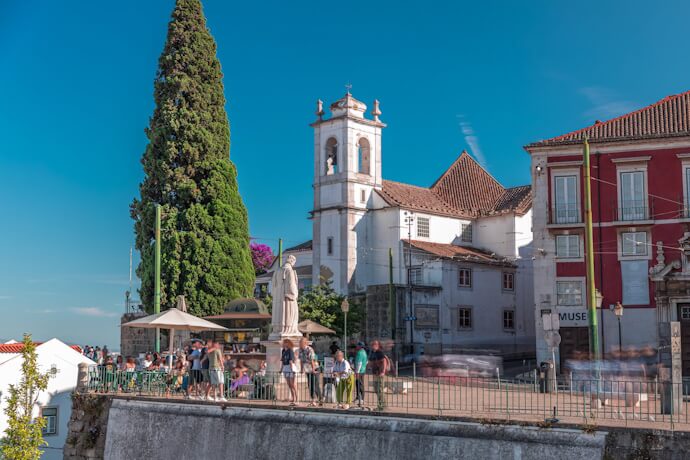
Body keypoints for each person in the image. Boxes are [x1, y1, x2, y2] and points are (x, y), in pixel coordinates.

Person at [299, 337, 321, 406]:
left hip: (315, 368)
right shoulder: (300, 350)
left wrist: (313, 369)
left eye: (301, 343)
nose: (300, 344)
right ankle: (313, 399)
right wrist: (302, 369)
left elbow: (312, 360)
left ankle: (320, 398)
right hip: (308, 369)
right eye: (300, 343)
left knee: (315, 384)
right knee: (310, 384)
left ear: (305, 343)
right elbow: (301, 360)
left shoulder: (309, 349)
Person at [368, 340, 387, 410]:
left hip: (380, 373)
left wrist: (383, 371)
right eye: (372, 344)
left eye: (375, 344)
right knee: (376, 389)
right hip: (375, 373)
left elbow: (384, 361)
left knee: (380, 389)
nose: (373, 345)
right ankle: (380, 405)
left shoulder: (380, 352)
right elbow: (370, 362)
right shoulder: (373, 352)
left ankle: (382, 406)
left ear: (378, 345)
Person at [281, 339, 298, 405]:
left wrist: (292, 369)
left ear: (287, 343)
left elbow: (291, 360)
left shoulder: (290, 350)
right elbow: (282, 360)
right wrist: (281, 369)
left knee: (293, 384)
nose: (283, 344)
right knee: (289, 384)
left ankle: (296, 398)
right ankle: (293, 397)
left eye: (284, 343)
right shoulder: (283, 351)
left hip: (290, 367)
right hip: (285, 367)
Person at [354, 342, 368, 406]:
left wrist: (357, 372)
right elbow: (366, 361)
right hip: (363, 370)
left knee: (359, 384)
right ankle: (358, 397)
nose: (356, 346)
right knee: (359, 384)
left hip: (359, 371)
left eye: (357, 345)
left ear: (360, 346)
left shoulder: (359, 353)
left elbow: (359, 363)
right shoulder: (364, 352)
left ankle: (361, 398)